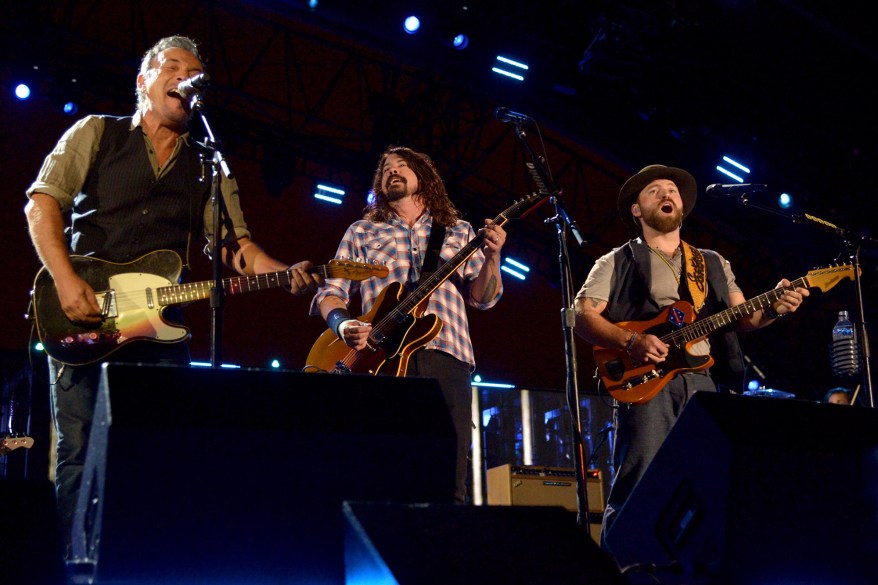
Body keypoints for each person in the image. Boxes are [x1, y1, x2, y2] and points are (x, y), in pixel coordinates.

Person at [23, 35, 322, 555]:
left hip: (159, 328)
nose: (185, 77)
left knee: (166, 444)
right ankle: (75, 562)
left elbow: (234, 245)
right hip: (81, 313)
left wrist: (283, 271)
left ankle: (148, 557)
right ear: (144, 81)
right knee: (79, 451)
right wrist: (67, 281)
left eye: (195, 72)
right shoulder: (96, 132)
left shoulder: (208, 164)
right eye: (174, 67)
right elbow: (42, 204)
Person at [572, 164, 809, 548]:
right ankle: (618, 568)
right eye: (655, 191)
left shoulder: (711, 262)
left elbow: (744, 317)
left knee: (705, 480)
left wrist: (776, 308)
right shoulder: (616, 260)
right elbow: (583, 317)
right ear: (637, 210)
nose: (667, 195)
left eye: (673, 191)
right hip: (646, 383)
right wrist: (632, 342)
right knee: (640, 477)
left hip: (702, 380)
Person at [310, 145, 505, 503]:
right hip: (381, 360)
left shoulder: (457, 230)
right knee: (388, 472)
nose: (392, 171)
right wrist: (342, 325)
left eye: (402, 166)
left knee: (449, 476)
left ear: (424, 177)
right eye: (385, 168)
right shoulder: (362, 231)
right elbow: (330, 292)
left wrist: (493, 256)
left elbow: (485, 297)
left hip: (446, 352)